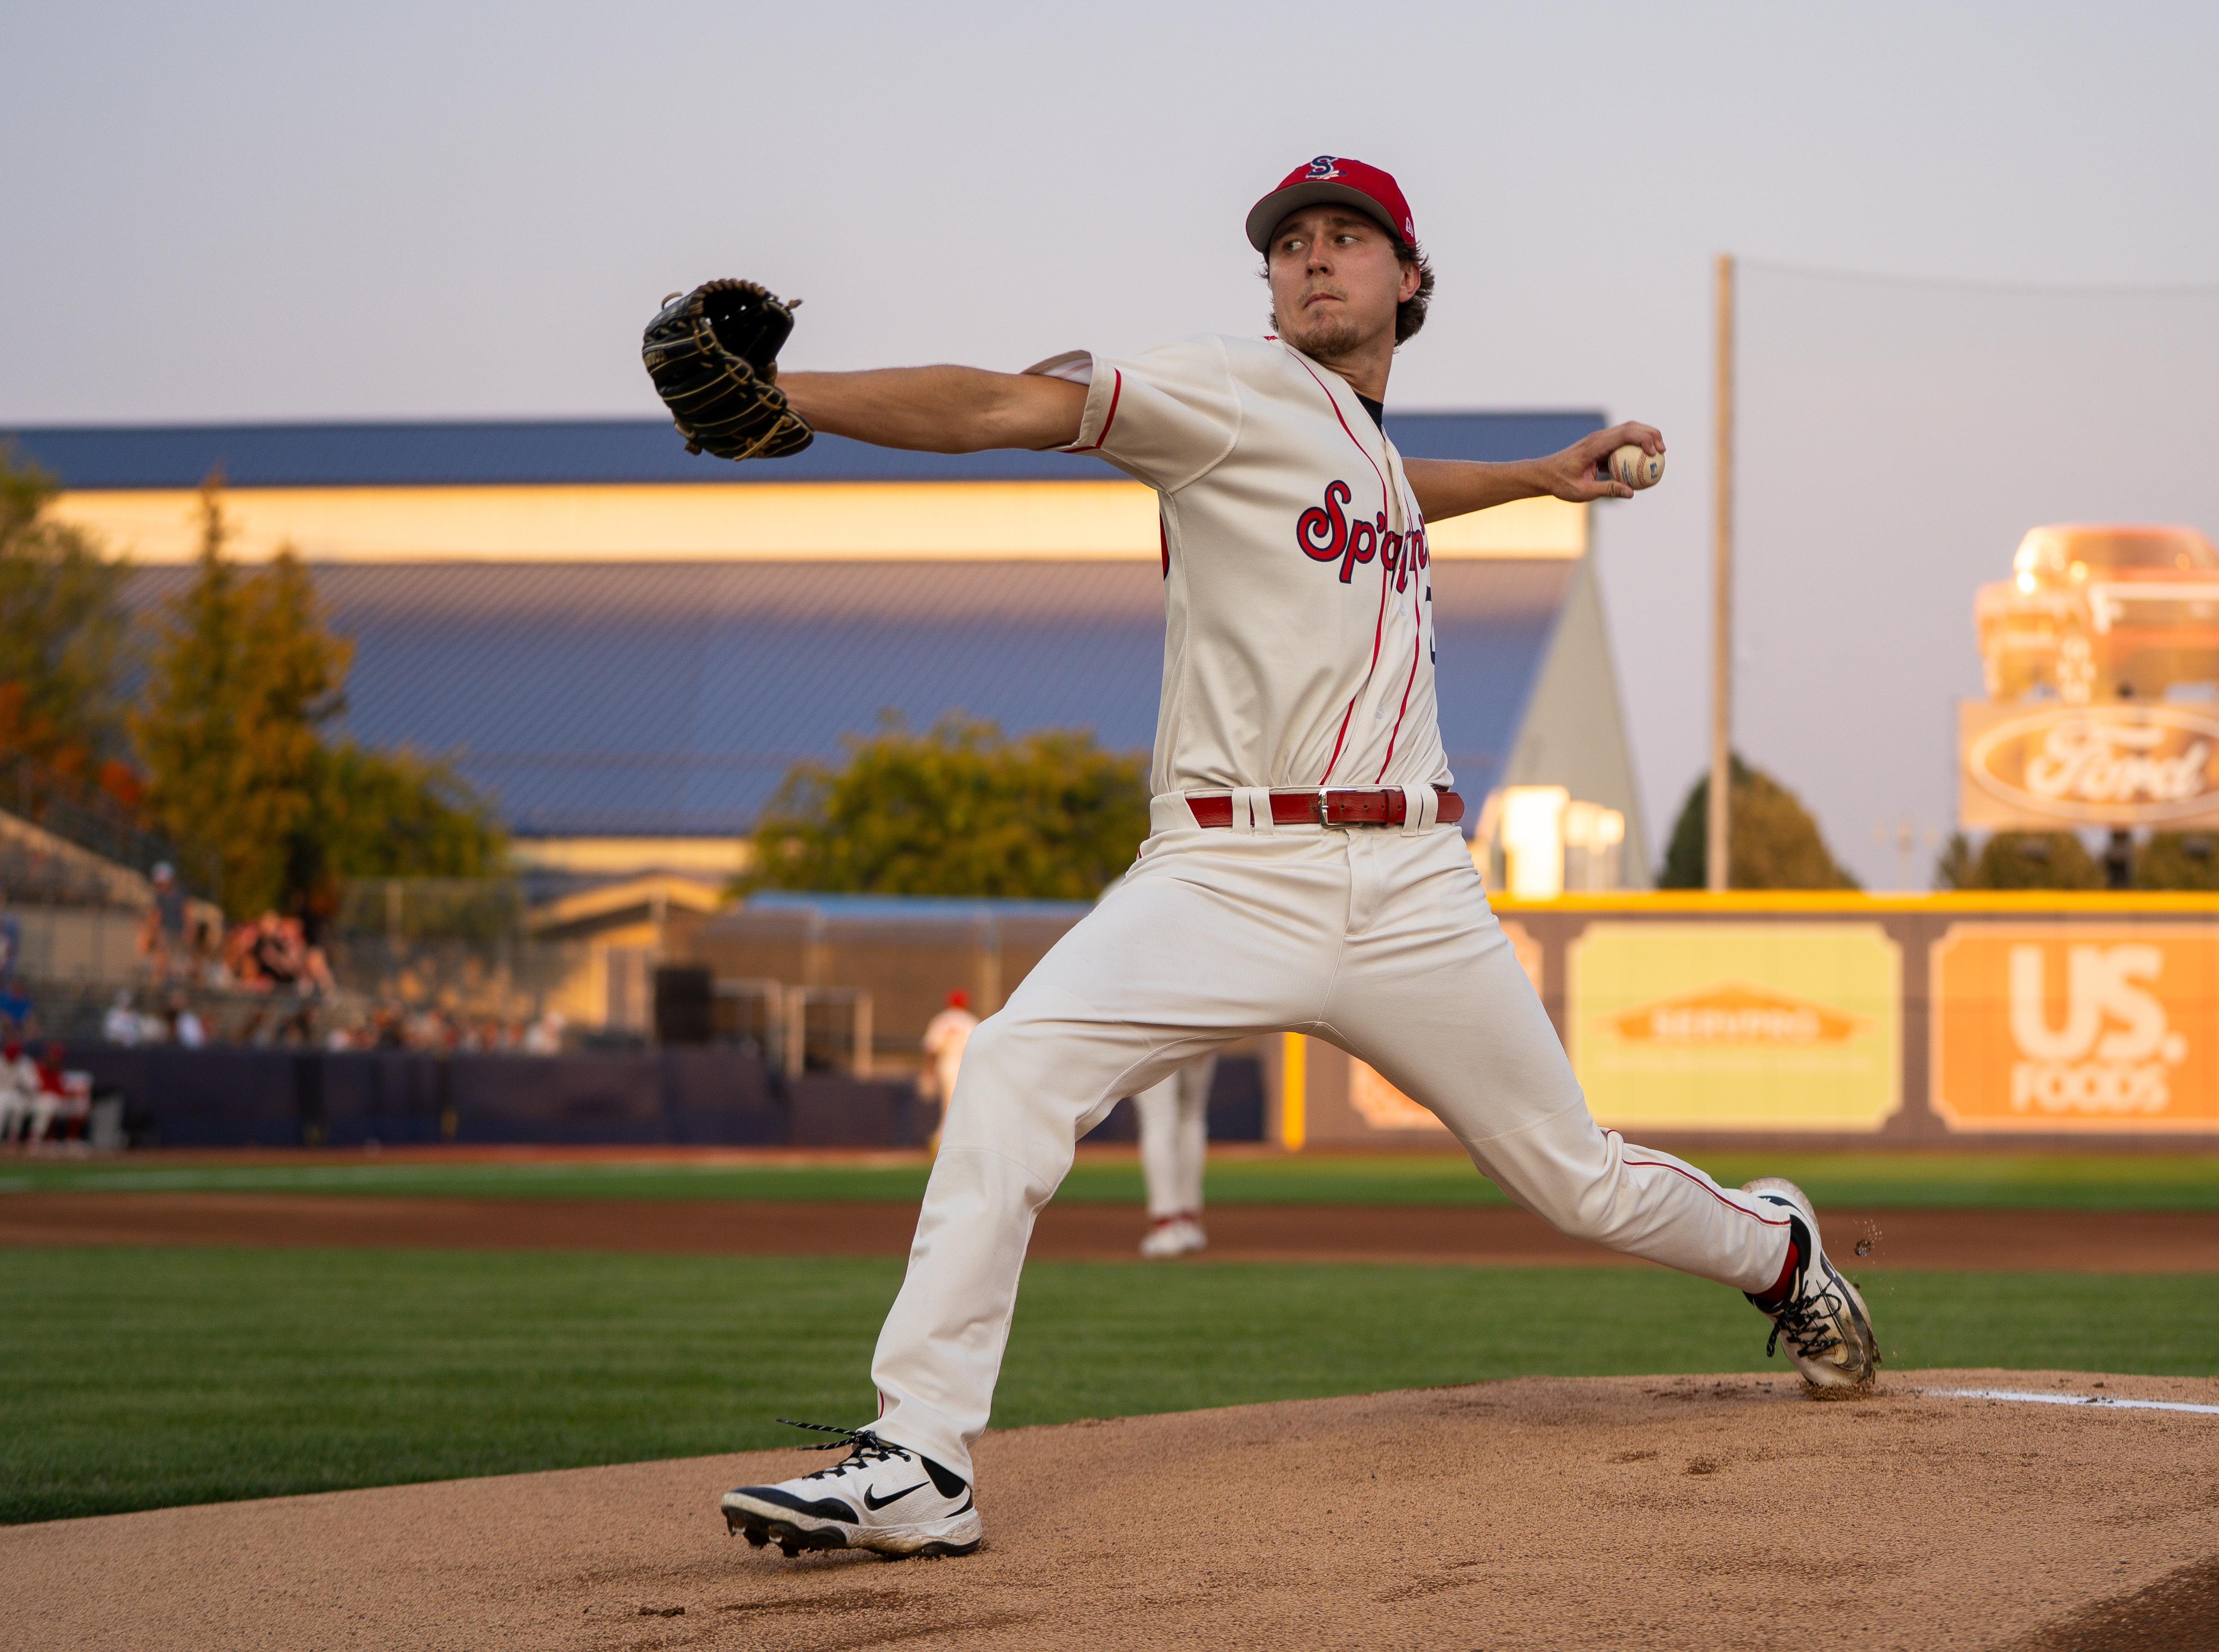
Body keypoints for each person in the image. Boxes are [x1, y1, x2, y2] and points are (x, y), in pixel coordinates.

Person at [717, 156, 1878, 1564]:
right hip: (1225, 874)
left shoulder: (1357, 444)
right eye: (1291, 243)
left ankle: (1779, 1252)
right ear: (1268, 283)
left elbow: (1389, 487)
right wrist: (790, 395)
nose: (1314, 257)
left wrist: (1532, 478)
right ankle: (921, 1453)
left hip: (1413, 887)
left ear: (1410, 277)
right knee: (1014, 1068)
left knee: (1576, 1178)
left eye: (1348, 236)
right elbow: (1004, 405)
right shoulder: (1225, 389)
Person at [1134, 1050, 1218, 1257]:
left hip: (1150, 1041)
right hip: (1198, 1035)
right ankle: (1188, 1224)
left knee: (1158, 1122)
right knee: (1192, 1115)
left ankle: (1166, 1228)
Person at [916, 990, 980, 1145]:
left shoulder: (941, 1019)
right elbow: (978, 1049)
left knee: (950, 1104)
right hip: (964, 1064)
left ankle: (943, 1138)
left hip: (945, 1064)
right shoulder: (970, 1020)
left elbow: (931, 1049)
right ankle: (944, 1139)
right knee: (959, 1105)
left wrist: (928, 1072)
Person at [0, 1036, 39, 1143]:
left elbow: (33, 1086)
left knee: (17, 1105)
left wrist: (22, 1080)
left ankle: (11, 1136)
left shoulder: (25, 1063)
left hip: (15, 1094)